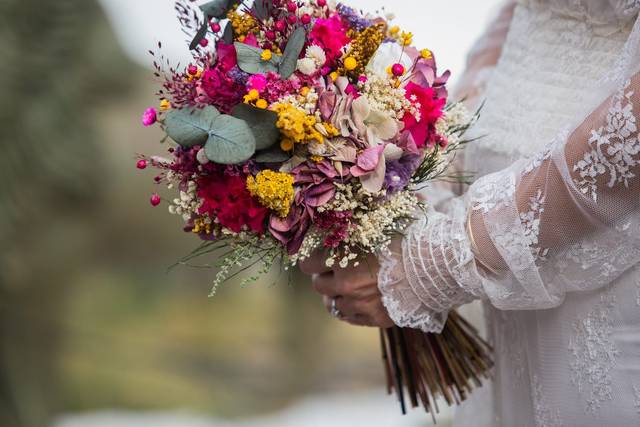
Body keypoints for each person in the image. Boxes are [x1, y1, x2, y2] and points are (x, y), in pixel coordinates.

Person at [301, 0, 640, 425]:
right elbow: (519, 23)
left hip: (601, 240)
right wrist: (418, 179)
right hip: (498, 236)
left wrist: (441, 261)